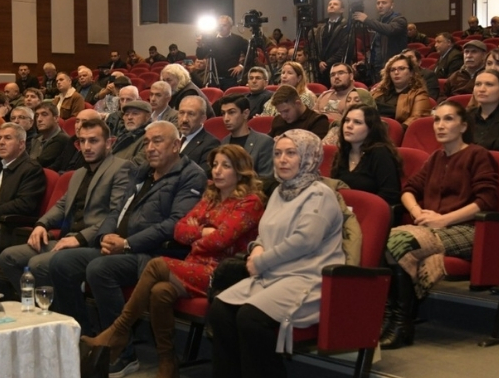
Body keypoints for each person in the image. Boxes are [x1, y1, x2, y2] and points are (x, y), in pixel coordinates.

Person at [81, 145, 265, 378]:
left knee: (157, 264)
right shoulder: (210, 197)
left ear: (240, 171)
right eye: (215, 165)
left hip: (221, 274)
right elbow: (179, 230)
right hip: (193, 265)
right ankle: (167, 363)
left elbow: (220, 240)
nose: (217, 171)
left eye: (225, 166)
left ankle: (119, 331)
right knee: (160, 292)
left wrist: (198, 234)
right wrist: (203, 232)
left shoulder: (250, 202)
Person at [49, 121, 206, 376]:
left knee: (100, 269)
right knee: (61, 262)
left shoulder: (190, 175)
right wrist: (104, 236)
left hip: (153, 254)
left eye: (157, 141)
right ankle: (84, 340)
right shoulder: (142, 172)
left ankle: (122, 352)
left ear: (176, 145)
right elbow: (116, 211)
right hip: (120, 247)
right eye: (146, 142)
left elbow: (174, 224)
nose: (150, 148)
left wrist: (127, 243)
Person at [208, 130, 344, 377]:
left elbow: (305, 241)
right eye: (278, 153)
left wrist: (261, 261)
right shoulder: (280, 191)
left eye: (291, 153)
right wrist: (257, 248)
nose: (282, 160)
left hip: (306, 278)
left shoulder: (319, 194)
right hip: (272, 274)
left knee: (250, 318)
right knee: (220, 309)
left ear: (309, 157)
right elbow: (265, 232)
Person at [383, 101, 499, 349]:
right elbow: (409, 189)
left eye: (448, 119)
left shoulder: (477, 154)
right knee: (386, 241)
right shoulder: (436, 157)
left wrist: (443, 219)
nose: (440, 125)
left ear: (463, 126)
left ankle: (401, 323)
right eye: (437, 120)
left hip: (470, 230)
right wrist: (417, 212)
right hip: (432, 228)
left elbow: (486, 200)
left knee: (397, 242)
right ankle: (392, 319)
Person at [0, 118, 132, 294]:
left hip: (94, 243)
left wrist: (80, 239)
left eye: (93, 141)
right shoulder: (78, 173)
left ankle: (57, 308)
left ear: (108, 143)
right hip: (68, 238)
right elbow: (62, 205)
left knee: (38, 264)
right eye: (82, 141)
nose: (86, 147)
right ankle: (37, 305)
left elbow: (117, 214)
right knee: (9, 257)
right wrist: (41, 224)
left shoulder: (121, 168)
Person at [330, 104, 403, 205]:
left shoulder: (380, 153)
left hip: (371, 210)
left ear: (371, 128)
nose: (349, 126)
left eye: (357, 122)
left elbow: (390, 195)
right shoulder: (342, 153)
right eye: (347, 120)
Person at [352, 0, 408, 83]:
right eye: (378, 3)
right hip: (376, 68)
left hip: (392, 67)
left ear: (392, 5)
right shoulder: (377, 23)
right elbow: (375, 46)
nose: (380, 6)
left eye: (384, 3)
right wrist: (365, 61)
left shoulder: (400, 20)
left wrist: (367, 20)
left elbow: (389, 30)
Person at [218, 95, 274, 177]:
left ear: (245, 113)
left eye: (231, 112)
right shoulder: (224, 142)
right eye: (223, 113)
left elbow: (266, 179)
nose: (226, 118)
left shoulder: (264, 142)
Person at [370, 54, 432, 127]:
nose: (396, 72)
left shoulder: (419, 93)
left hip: (395, 130)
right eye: (392, 70)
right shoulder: (379, 90)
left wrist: (397, 130)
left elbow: (416, 119)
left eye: (402, 68)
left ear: (411, 72)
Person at [196, 16, 248, 90]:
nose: (221, 27)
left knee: (229, 96)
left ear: (230, 26)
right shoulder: (211, 40)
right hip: (213, 77)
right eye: (219, 25)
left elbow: (250, 54)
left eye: (224, 25)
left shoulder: (238, 39)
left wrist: (241, 66)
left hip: (231, 78)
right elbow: (200, 56)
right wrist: (200, 45)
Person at [309, 0, 350, 87]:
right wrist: (319, 61)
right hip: (321, 67)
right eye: (329, 4)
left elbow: (344, 49)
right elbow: (314, 47)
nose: (331, 6)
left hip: (338, 65)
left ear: (342, 10)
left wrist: (327, 63)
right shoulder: (321, 27)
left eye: (335, 4)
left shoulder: (346, 26)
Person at [177, 95, 220, 175]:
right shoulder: (171, 137)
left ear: (203, 119)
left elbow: (201, 175)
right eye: (181, 113)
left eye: (191, 114)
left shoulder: (211, 143)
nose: (184, 119)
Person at [28, 102, 69, 169]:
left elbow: (39, 163)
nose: (39, 119)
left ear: (56, 118)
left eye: (44, 114)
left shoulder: (62, 139)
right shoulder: (36, 138)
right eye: (37, 116)